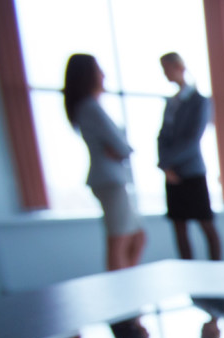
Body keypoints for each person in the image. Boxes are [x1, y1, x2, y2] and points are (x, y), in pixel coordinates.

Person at [63, 53, 146, 271]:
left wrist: (119, 148)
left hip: (111, 178)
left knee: (137, 237)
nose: (104, 74)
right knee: (118, 240)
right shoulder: (90, 107)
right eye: (98, 69)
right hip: (108, 180)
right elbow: (123, 147)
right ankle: (119, 290)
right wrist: (120, 148)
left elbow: (119, 148)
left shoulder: (90, 106)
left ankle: (127, 281)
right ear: (87, 75)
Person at [157, 52, 222, 262]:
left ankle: (217, 272)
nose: (165, 73)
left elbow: (192, 140)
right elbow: (162, 136)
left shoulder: (199, 102)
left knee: (206, 225)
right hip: (171, 174)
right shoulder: (171, 103)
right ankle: (188, 275)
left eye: (167, 68)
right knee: (179, 228)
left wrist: (168, 163)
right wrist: (165, 167)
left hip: (192, 171)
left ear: (179, 67)